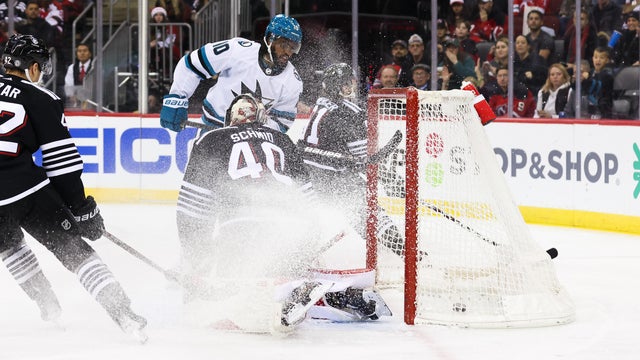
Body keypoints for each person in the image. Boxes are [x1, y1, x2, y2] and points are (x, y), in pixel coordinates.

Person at [177, 92, 389, 332]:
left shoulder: (210, 140)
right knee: (288, 274)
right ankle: (326, 292)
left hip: (241, 234)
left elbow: (192, 207)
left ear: (230, 118)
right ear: (262, 117)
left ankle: (276, 295)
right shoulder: (283, 140)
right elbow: (308, 205)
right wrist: (308, 246)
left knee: (221, 302)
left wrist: (196, 261)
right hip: (291, 232)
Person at [0, 34, 147, 341]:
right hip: (24, 191)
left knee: (10, 246)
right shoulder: (41, 99)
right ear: (32, 66)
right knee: (75, 252)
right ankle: (123, 313)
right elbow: (62, 164)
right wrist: (82, 209)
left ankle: (48, 308)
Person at [298, 62, 409, 278]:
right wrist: (389, 180)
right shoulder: (348, 113)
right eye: (347, 83)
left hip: (310, 179)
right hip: (333, 177)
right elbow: (365, 160)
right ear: (338, 86)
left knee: (344, 217)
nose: (351, 87)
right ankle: (406, 254)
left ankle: (304, 259)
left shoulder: (320, 106)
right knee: (371, 214)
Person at [160, 14, 303, 133]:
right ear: (270, 39)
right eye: (284, 45)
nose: (288, 53)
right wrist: (177, 98)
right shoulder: (237, 50)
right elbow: (191, 65)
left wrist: (258, 128)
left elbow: (282, 122)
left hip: (252, 141)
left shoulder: (293, 81)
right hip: (213, 130)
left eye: (293, 48)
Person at [64, 42, 92, 109]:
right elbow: (68, 85)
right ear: (76, 54)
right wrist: (72, 96)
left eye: (85, 51)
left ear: (90, 53)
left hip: (92, 101)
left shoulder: (95, 66)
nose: (82, 53)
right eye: (79, 51)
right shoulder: (72, 67)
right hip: (76, 103)